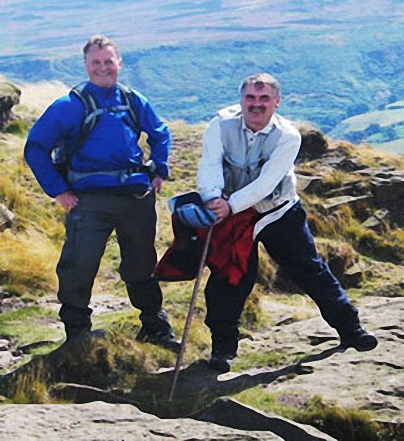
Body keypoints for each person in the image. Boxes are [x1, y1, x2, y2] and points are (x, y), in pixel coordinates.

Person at [197, 72, 378, 372]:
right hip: (230, 211)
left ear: (276, 102)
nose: (256, 105)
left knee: (309, 270)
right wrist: (213, 198)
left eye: (264, 98)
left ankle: (350, 329)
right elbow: (210, 165)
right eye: (250, 98)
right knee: (229, 276)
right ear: (241, 99)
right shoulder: (219, 125)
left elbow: (266, 184)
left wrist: (228, 206)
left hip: (277, 211)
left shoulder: (288, 136)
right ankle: (222, 349)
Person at [24, 35, 180, 352]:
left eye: (108, 61)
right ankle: (78, 333)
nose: (103, 68)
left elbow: (160, 133)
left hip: (135, 198)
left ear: (119, 63)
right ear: (86, 65)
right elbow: (35, 148)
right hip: (88, 200)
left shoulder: (132, 99)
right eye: (96, 62)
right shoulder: (69, 106)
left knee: (142, 264)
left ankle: (155, 327)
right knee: (79, 265)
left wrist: (159, 168)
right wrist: (59, 191)